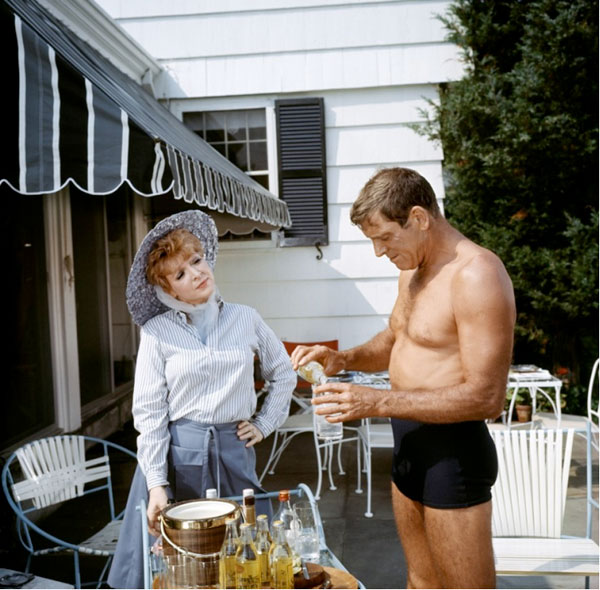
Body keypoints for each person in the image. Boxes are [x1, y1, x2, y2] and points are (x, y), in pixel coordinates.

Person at [291, 167, 516, 589]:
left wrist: (374, 402)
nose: (379, 252)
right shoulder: (411, 267)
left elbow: (487, 397)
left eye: (385, 238)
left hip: (453, 454)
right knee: (419, 583)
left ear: (419, 218)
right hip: (408, 444)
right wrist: (342, 359)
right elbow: (399, 337)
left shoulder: (477, 274)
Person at [108, 210, 296, 589]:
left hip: (233, 449)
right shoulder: (157, 332)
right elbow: (149, 411)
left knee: (244, 550)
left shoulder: (246, 318)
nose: (195, 273)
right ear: (168, 291)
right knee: (181, 564)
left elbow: (284, 373)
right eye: (180, 274)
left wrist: (263, 423)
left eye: (196, 260)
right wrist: (157, 483)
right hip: (178, 455)